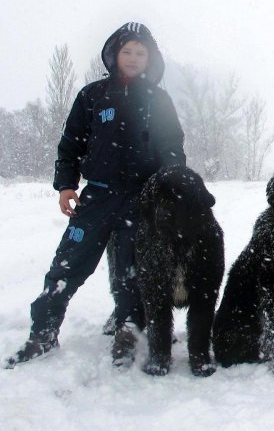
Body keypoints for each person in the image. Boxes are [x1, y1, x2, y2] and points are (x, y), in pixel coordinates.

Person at [5, 22, 186, 369]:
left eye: (141, 53)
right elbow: (71, 143)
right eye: (127, 51)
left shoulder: (158, 100)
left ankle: (127, 332)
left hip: (142, 200)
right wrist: (66, 185)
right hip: (97, 198)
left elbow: (172, 147)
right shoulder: (92, 95)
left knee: (132, 273)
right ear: (114, 54)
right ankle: (42, 334)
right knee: (66, 264)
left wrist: (172, 187)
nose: (133, 58)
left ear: (150, 59)